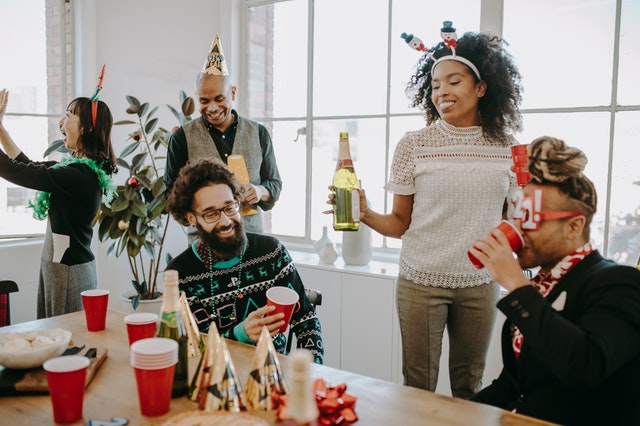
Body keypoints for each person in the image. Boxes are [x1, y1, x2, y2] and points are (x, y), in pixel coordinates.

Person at [328, 22, 523, 398]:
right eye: (435, 85)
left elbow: (513, 222)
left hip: (481, 284)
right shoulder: (414, 145)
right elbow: (400, 224)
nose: (442, 92)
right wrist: (365, 213)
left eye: (454, 81)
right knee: (418, 388)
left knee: (470, 387)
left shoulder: (507, 148)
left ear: (481, 88)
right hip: (420, 282)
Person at [470, 136, 640, 425]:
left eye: (532, 218)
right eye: (516, 216)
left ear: (574, 226)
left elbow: (585, 367)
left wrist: (515, 283)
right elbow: (513, 386)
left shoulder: (619, 283)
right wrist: (444, 410)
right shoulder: (538, 289)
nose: (519, 230)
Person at [165, 158, 323, 364]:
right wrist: (240, 334)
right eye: (211, 213)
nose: (226, 221)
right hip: (215, 382)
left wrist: (310, 373)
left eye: (230, 207)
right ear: (192, 218)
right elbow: (189, 350)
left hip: (274, 376)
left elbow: (306, 320)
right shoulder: (180, 274)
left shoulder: (271, 252)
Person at [0, 74, 117, 318]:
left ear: (86, 128)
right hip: (58, 266)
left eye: (69, 115)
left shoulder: (79, 175)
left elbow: (18, 172)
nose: (61, 122)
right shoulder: (75, 170)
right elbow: (26, 164)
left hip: (68, 271)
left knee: (68, 343)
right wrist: (1, 129)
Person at [165, 33, 281, 235]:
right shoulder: (181, 139)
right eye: (204, 101)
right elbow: (170, 195)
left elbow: (274, 184)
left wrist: (259, 191)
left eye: (219, 99)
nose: (212, 108)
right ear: (196, 96)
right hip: (204, 243)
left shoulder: (259, 133)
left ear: (233, 93)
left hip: (251, 240)